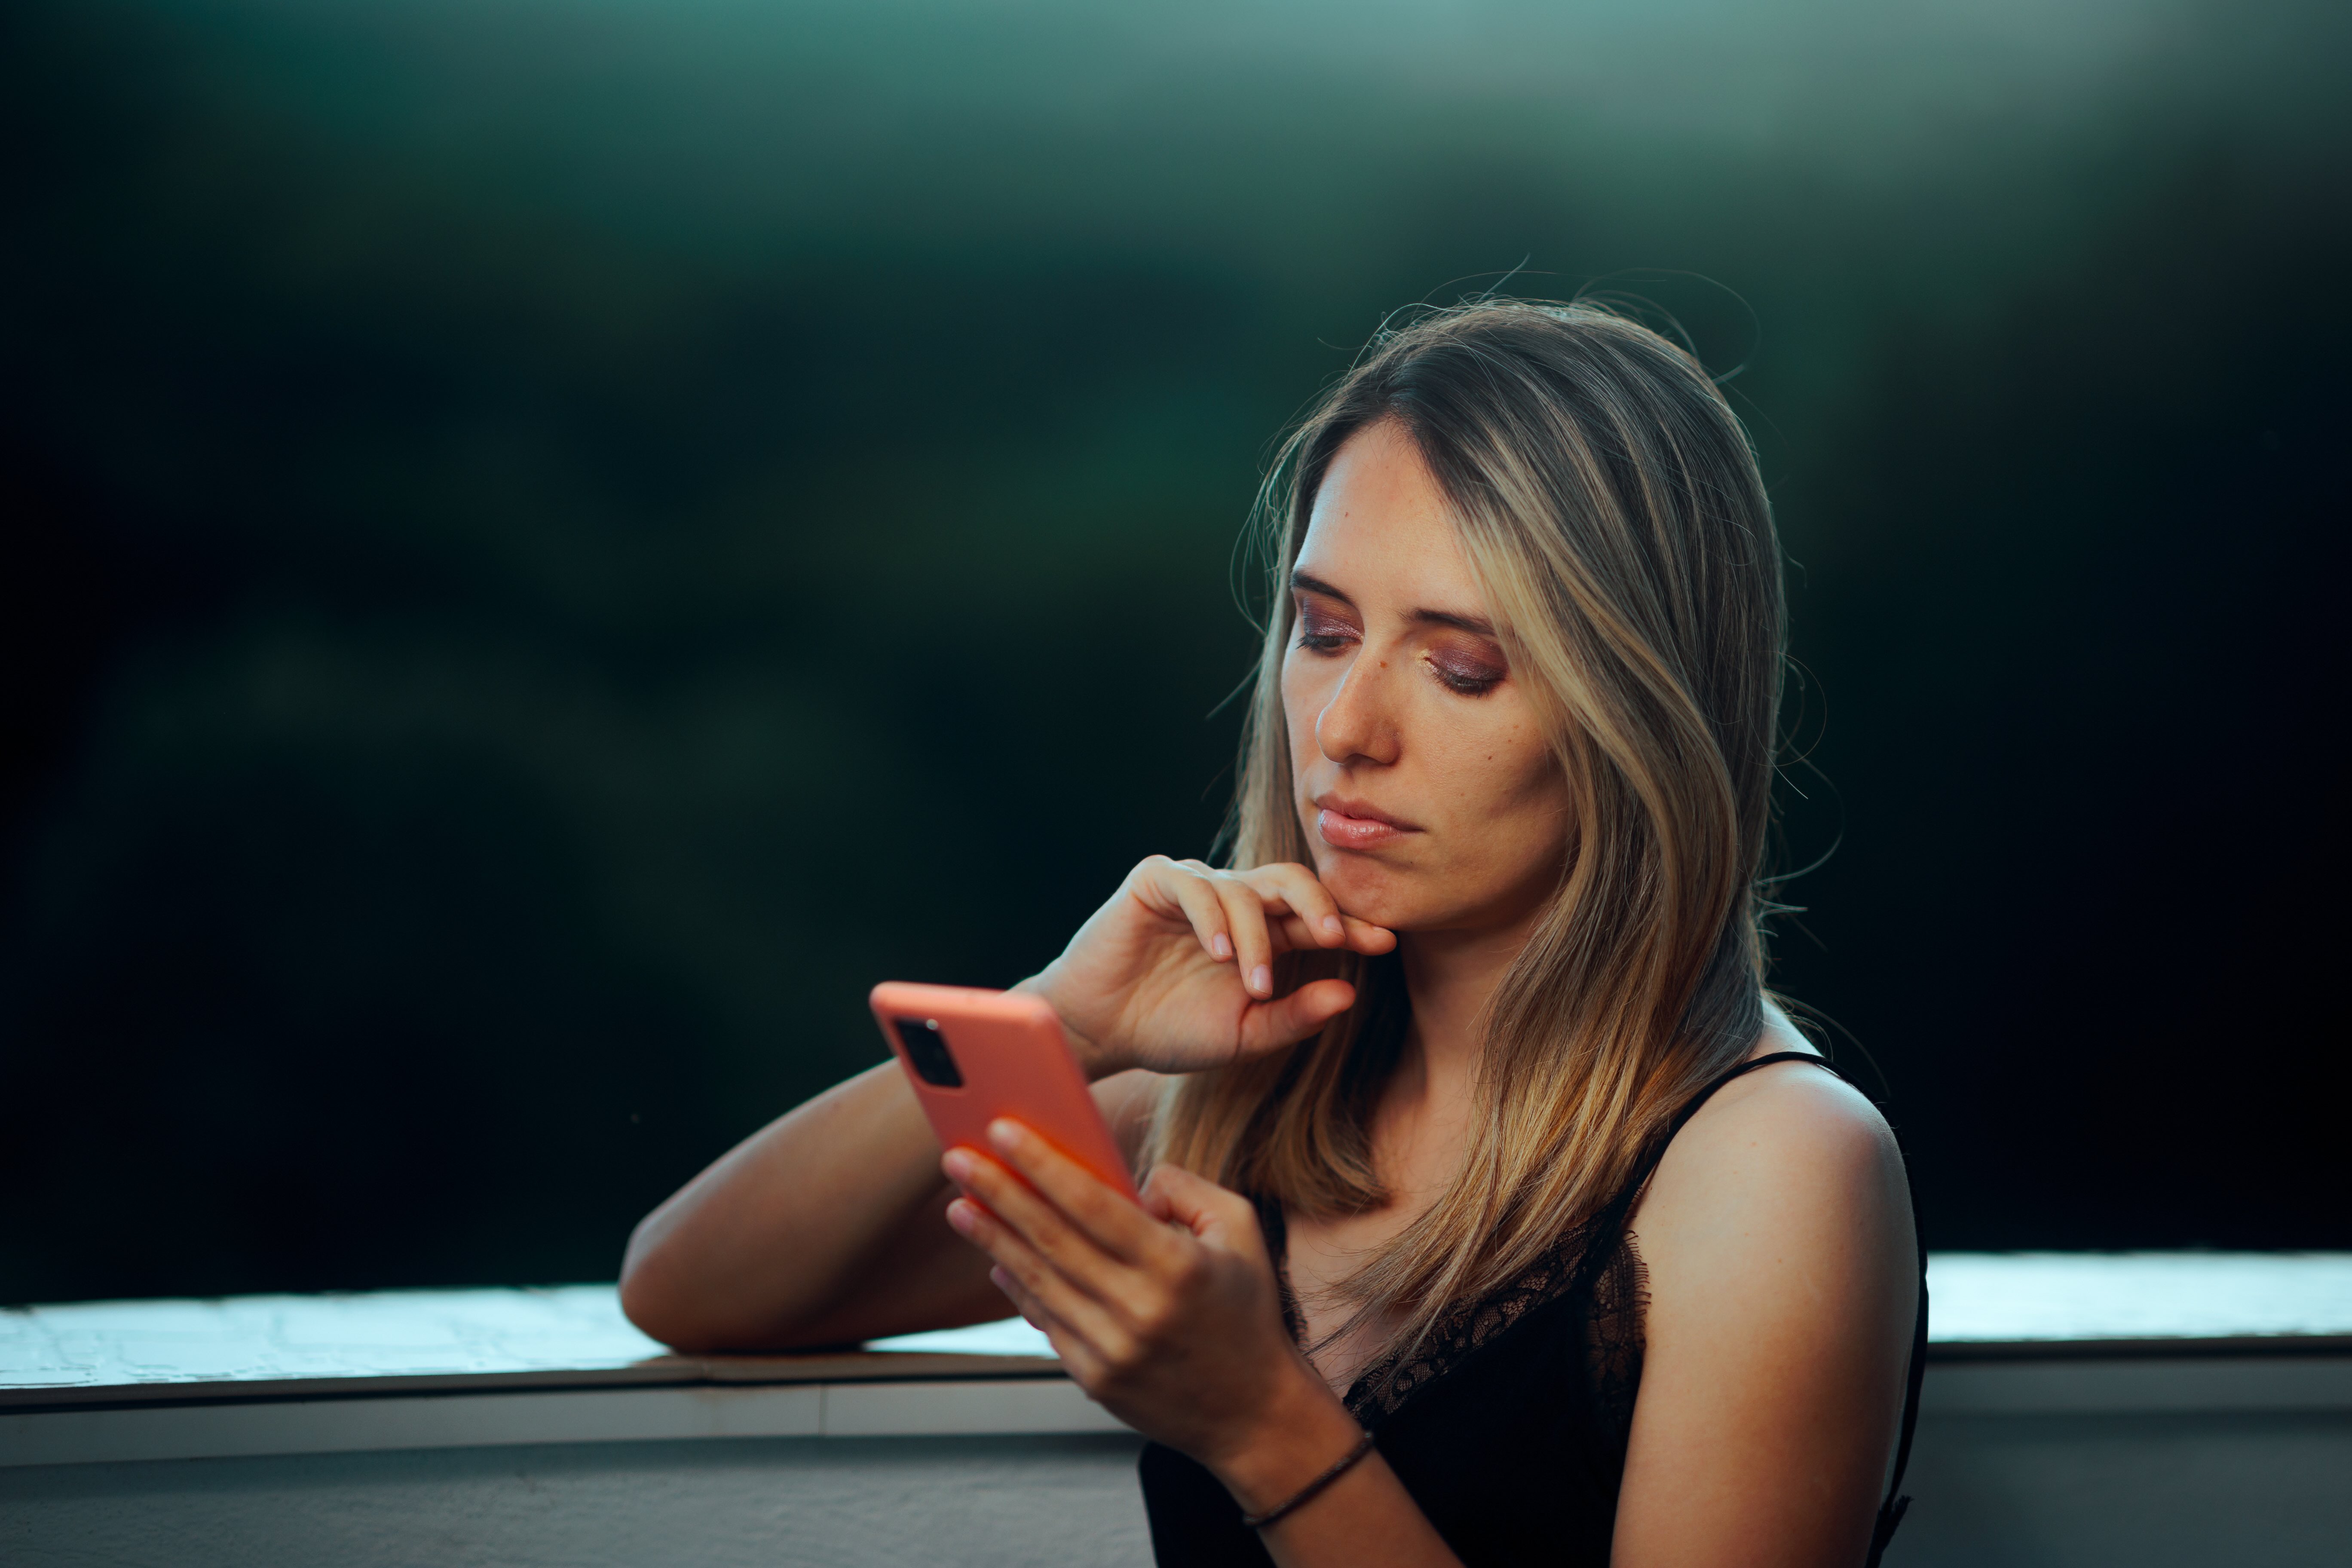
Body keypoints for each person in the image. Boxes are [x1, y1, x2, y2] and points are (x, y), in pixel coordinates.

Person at [618, 300, 1924, 1568]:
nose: (1347, 729)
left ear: (1640, 706)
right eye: (1324, 630)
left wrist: (1258, 1423)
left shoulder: (1775, 1172)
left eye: (1461, 666)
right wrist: (1053, 1024)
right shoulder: (1257, 1091)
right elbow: (692, 1288)